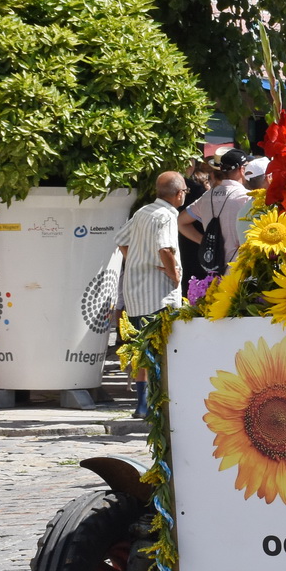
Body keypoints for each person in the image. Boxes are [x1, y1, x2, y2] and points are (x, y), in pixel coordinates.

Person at [116, 172, 187, 418]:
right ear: (178, 194)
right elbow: (165, 248)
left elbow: (121, 240)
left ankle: (142, 404)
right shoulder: (166, 216)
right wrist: (174, 275)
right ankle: (157, 404)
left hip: (136, 291)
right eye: (185, 191)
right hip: (158, 293)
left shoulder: (143, 212)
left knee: (141, 349)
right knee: (160, 350)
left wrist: (137, 261)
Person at [180, 149, 250, 276]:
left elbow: (181, 222)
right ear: (242, 170)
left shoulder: (206, 197)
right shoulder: (246, 197)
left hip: (214, 270)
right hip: (239, 272)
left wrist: (204, 241)